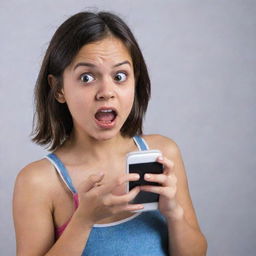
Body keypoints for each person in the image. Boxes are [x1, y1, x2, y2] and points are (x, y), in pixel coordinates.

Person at [13, 11, 207, 256]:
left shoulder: (162, 154)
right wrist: (83, 220)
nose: (107, 91)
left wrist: (174, 213)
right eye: (86, 77)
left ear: (135, 82)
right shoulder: (39, 182)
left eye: (119, 76)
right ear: (58, 89)